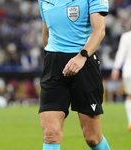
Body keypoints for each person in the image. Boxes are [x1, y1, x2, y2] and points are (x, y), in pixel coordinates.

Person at [38, 0, 110, 150]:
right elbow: (46, 32)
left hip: (84, 62)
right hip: (54, 65)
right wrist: (52, 61)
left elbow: (99, 29)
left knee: (92, 138)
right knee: (50, 134)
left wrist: (82, 56)